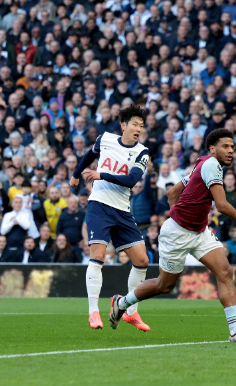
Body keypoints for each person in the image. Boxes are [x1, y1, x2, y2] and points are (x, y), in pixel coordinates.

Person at [109, 129, 236, 343]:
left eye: (232, 147)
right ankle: (121, 303)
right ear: (212, 148)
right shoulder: (211, 165)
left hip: (199, 231)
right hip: (177, 234)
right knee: (164, 286)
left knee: (225, 271)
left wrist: (183, 213)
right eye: (225, 146)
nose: (231, 150)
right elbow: (221, 205)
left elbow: (172, 193)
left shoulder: (201, 164)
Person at [69, 104, 152, 332]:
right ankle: (93, 311)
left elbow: (130, 180)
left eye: (142, 126)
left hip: (122, 210)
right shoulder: (105, 139)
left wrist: (100, 174)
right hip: (99, 205)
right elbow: (89, 155)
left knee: (142, 261)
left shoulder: (142, 152)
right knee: (98, 256)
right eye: (135, 124)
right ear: (123, 125)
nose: (138, 129)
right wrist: (76, 175)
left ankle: (130, 312)